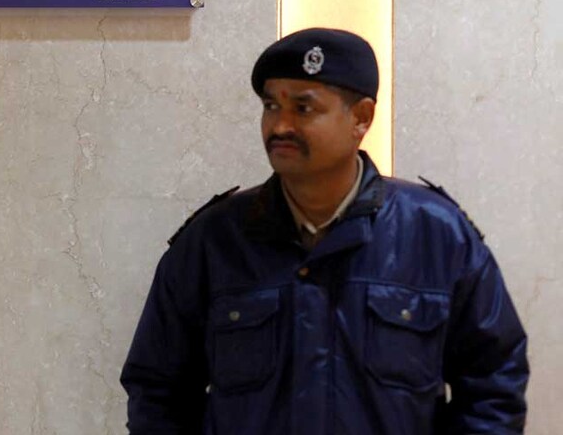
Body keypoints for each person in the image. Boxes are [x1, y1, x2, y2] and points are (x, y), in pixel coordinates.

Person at [120, 28, 529, 434]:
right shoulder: (214, 241)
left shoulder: (437, 235)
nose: (280, 126)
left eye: (303, 108)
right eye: (271, 106)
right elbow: (157, 392)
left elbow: (494, 385)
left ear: (361, 118)